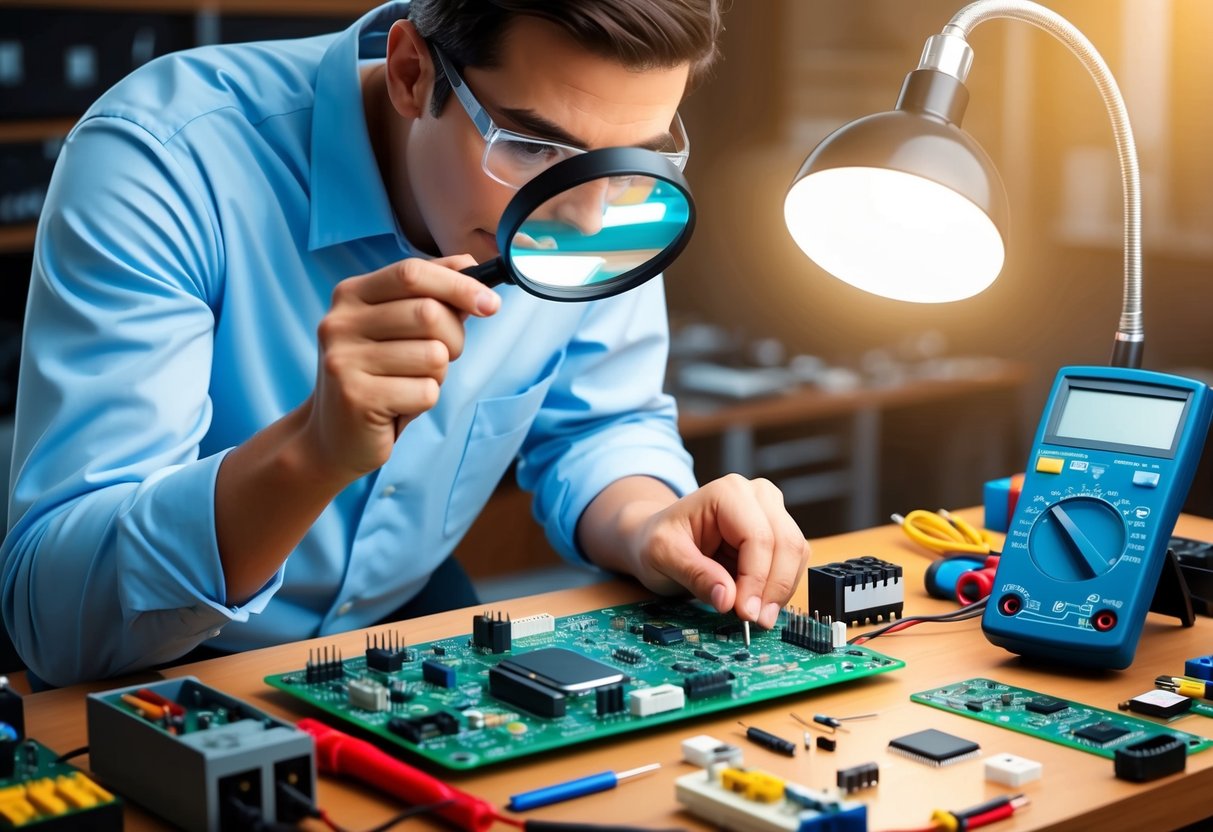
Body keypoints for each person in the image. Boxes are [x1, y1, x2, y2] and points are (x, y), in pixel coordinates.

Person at [2, 0, 809, 687]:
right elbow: (55, 620)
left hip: (403, 623)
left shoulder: (608, 201)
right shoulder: (166, 159)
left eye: (625, 161)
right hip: (160, 663)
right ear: (410, 72)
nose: (586, 220)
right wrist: (310, 454)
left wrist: (651, 522)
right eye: (531, 148)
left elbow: (598, 426)